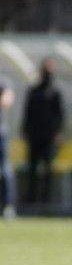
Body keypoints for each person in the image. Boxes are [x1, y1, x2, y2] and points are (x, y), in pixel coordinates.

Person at [23, 58, 62, 210]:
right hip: (34, 136)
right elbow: (28, 113)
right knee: (32, 168)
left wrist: (57, 132)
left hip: (49, 137)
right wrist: (26, 130)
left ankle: (47, 200)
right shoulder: (34, 91)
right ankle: (31, 198)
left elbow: (60, 115)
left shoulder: (55, 92)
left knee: (48, 169)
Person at [0, 75, 14, 220]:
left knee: (4, 169)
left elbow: (7, 100)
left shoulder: (2, 82)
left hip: (1, 134)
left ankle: (7, 206)